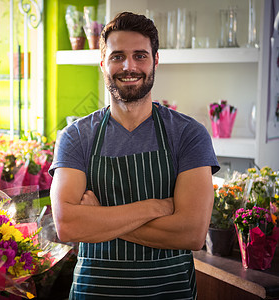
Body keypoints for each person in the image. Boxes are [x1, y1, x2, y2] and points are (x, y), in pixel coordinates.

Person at [49, 11, 220, 299]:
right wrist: (156, 207)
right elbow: (67, 225)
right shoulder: (76, 136)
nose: (129, 66)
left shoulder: (188, 134)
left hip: (170, 293)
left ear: (156, 60)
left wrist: (98, 218)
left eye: (140, 55)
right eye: (117, 56)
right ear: (103, 63)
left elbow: (191, 233)